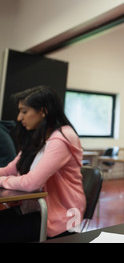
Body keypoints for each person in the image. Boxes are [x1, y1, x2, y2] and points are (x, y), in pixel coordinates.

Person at [0, 85, 85, 242]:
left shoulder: (62, 138)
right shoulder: (39, 137)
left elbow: (31, 183)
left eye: (24, 112)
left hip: (63, 218)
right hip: (38, 211)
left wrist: (2, 181)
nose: (19, 118)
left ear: (43, 111)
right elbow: (9, 169)